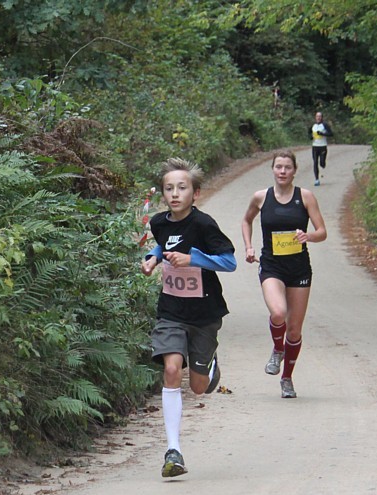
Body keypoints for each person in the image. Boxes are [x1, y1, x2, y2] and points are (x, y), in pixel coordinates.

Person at [141, 157, 237, 478]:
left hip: (205, 313)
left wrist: (193, 258)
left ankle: (208, 366)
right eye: (169, 188)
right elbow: (160, 246)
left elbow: (229, 262)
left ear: (195, 193)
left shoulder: (204, 225)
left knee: (197, 388)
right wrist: (151, 259)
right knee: (171, 369)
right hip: (171, 310)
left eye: (182, 188)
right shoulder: (159, 222)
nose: (175, 193)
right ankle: (174, 450)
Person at [241, 150, 327, 398]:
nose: (282, 171)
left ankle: (287, 378)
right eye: (278, 167)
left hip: (299, 268)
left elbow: (322, 231)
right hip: (271, 266)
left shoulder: (306, 197)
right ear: (272, 169)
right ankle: (277, 349)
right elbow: (246, 221)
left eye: (287, 167)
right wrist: (248, 246)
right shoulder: (261, 197)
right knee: (278, 313)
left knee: (295, 330)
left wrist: (308, 236)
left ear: (294, 171)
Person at [308, 111, 334, 186]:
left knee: (322, 163)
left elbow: (331, 134)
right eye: (317, 116)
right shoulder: (313, 126)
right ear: (315, 117)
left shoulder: (325, 125)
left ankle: (323, 163)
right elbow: (309, 132)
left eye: (320, 116)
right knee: (315, 162)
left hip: (323, 146)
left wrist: (323, 134)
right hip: (315, 146)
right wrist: (310, 137)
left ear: (322, 117)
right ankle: (316, 179)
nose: (318, 118)